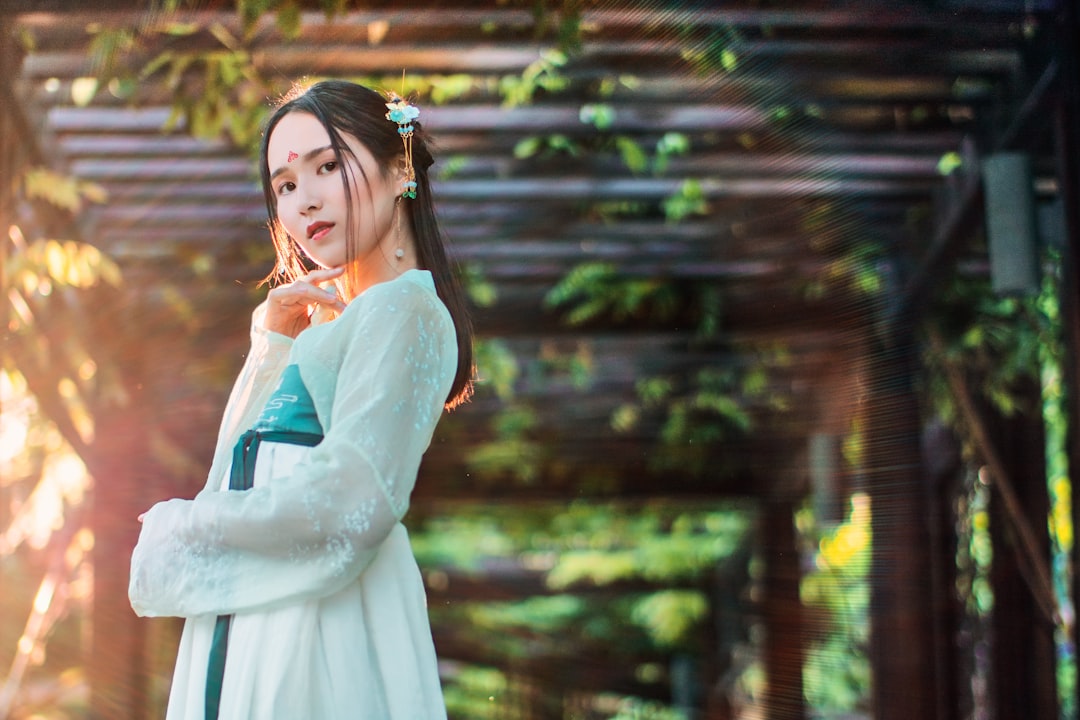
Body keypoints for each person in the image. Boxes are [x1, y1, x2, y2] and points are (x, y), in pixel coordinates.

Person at [128, 79, 473, 720]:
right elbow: (229, 477)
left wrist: (187, 527)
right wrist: (271, 347)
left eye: (327, 165)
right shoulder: (335, 325)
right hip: (272, 606)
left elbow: (355, 496)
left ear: (400, 169)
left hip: (322, 622)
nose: (304, 200)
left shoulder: (407, 311)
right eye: (285, 184)